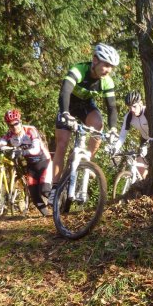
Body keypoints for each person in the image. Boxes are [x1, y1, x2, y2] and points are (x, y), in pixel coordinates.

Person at [48, 43, 120, 204]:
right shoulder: (79, 70)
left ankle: (87, 161)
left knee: (98, 124)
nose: (108, 70)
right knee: (62, 145)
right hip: (68, 107)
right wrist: (65, 113)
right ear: (95, 60)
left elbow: (112, 107)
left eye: (111, 67)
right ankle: (54, 188)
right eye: (106, 65)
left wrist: (114, 128)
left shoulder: (106, 81)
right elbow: (65, 92)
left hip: (86, 107)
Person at [0, 109, 53, 216]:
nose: (14, 127)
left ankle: (60, 207)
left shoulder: (30, 130)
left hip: (44, 163)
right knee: (34, 195)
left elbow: (36, 149)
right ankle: (48, 216)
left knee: (45, 190)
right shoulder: (10, 135)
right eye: (10, 125)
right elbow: (1, 143)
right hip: (31, 166)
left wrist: (22, 151)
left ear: (20, 121)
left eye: (15, 124)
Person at [112, 90, 149, 178]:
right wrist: (115, 148)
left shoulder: (148, 112)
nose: (132, 110)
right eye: (129, 107)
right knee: (139, 162)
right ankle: (148, 186)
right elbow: (122, 136)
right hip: (144, 139)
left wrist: (148, 145)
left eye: (134, 106)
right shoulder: (128, 117)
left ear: (140, 103)